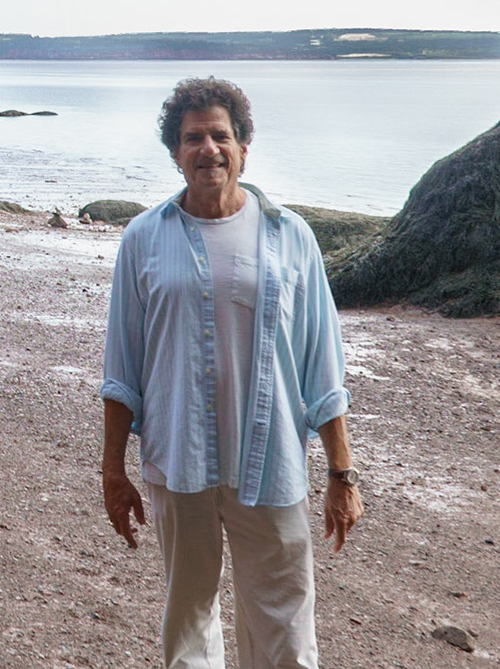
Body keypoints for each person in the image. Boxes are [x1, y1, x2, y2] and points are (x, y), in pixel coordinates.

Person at [100, 77, 361, 668]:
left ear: (244, 147)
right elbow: (122, 369)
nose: (208, 149)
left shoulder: (291, 237)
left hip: (272, 462)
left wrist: (341, 474)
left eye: (220, 135)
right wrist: (113, 471)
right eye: (193, 138)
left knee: (285, 626)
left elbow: (323, 366)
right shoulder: (143, 239)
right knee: (189, 620)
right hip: (178, 460)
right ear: (175, 152)